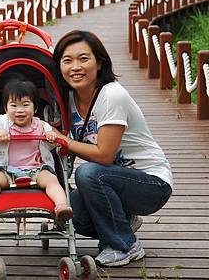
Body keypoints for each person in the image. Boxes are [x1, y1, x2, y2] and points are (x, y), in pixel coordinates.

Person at [48, 30, 173, 267]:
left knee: (88, 173)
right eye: (67, 60)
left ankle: (124, 245)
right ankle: (122, 220)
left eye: (84, 59)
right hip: (115, 181)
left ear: (100, 62)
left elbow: (105, 155)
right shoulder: (68, 98)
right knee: (67, 213)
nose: (75, 67)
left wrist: (62, 140)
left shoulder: (112, 95)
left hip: (152, 183)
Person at [0, 79, 74, 224]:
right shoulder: (1, 122)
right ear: (6, 108)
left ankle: (61, 207)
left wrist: (50, 137)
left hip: (36, 169)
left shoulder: (41, 125)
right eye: (13, 105)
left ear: (35, 108)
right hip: (6, 169)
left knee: (52, 181)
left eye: (25, 105)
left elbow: (52, 146)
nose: (19, 110)